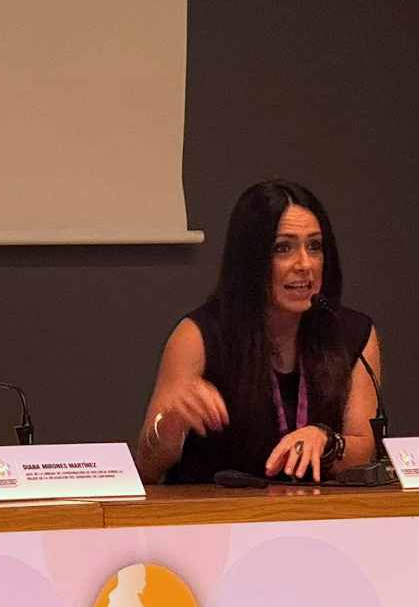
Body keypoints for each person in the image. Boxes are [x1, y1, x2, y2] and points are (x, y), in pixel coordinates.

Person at [137, 180, 380, 483]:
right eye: (283, 248)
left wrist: (326, 440)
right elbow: (147, 467)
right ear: (251, 259)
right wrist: (171, 424)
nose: (304, 264)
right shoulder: (198, 336)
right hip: (217, 522)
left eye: (315, 246)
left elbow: (364, 448)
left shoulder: (351, 334)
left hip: (318, 522)